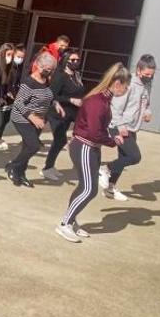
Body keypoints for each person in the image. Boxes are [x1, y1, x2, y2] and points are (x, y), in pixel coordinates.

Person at [56, 63, 131, 243]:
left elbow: (97, 130)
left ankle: (70, 220)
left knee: (85, 187)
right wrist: (112, 141)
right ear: (117, 83)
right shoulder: (98, 101)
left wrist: (109, 139)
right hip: (85, 146)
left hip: (91, 147)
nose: (127, 90)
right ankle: (65, 223)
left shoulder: (103, 99)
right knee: (89, 189)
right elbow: (93, 132)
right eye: (126, 86)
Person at [99, 54, 156, 201]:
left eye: (151, 75)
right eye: (146, 74)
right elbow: (115, 107)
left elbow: (146, 103)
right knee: (134, 157)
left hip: (133, 127)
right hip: (119, 126)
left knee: (123, 158)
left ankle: (110, 188)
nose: (149, 77)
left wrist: (147, 112)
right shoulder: (128, 83)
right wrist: (121, 126)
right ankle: (105, 168)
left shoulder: (147, 85)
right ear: (138, 70)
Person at [4, 52, 63, 188]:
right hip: (23, 118)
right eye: (47, 69)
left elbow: (47, 95)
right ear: (38, 66)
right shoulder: (29, 82)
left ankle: (19, 174)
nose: (49, 72)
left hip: (39, 119)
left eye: (52, 70)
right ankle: (13, 165)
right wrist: (32, 117)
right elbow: (18, 103)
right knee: (33, 146)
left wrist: (55, 103)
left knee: (27, 147)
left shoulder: (46, 80)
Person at [41, 50, 85, 181]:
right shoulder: (60, 75)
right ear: (66, 61)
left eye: (77, 60)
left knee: (61, 141)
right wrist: (70, 99)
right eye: (73, 60)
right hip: (57, 112)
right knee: (60, 140)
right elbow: (52, 95)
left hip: (71, 112)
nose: (75, 62)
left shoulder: (76, 74)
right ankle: (47, 168)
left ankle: (50, 166)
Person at [0, 44, 26, 151]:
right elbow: (4, 83)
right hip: (4, 96)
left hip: (12, 97)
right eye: (18, 56)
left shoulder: (18, 67)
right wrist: (6, 93)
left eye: (22, 57)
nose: (20, 59)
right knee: (0, 118)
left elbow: (16, 82)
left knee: (5, 119)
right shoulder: (6, 66)